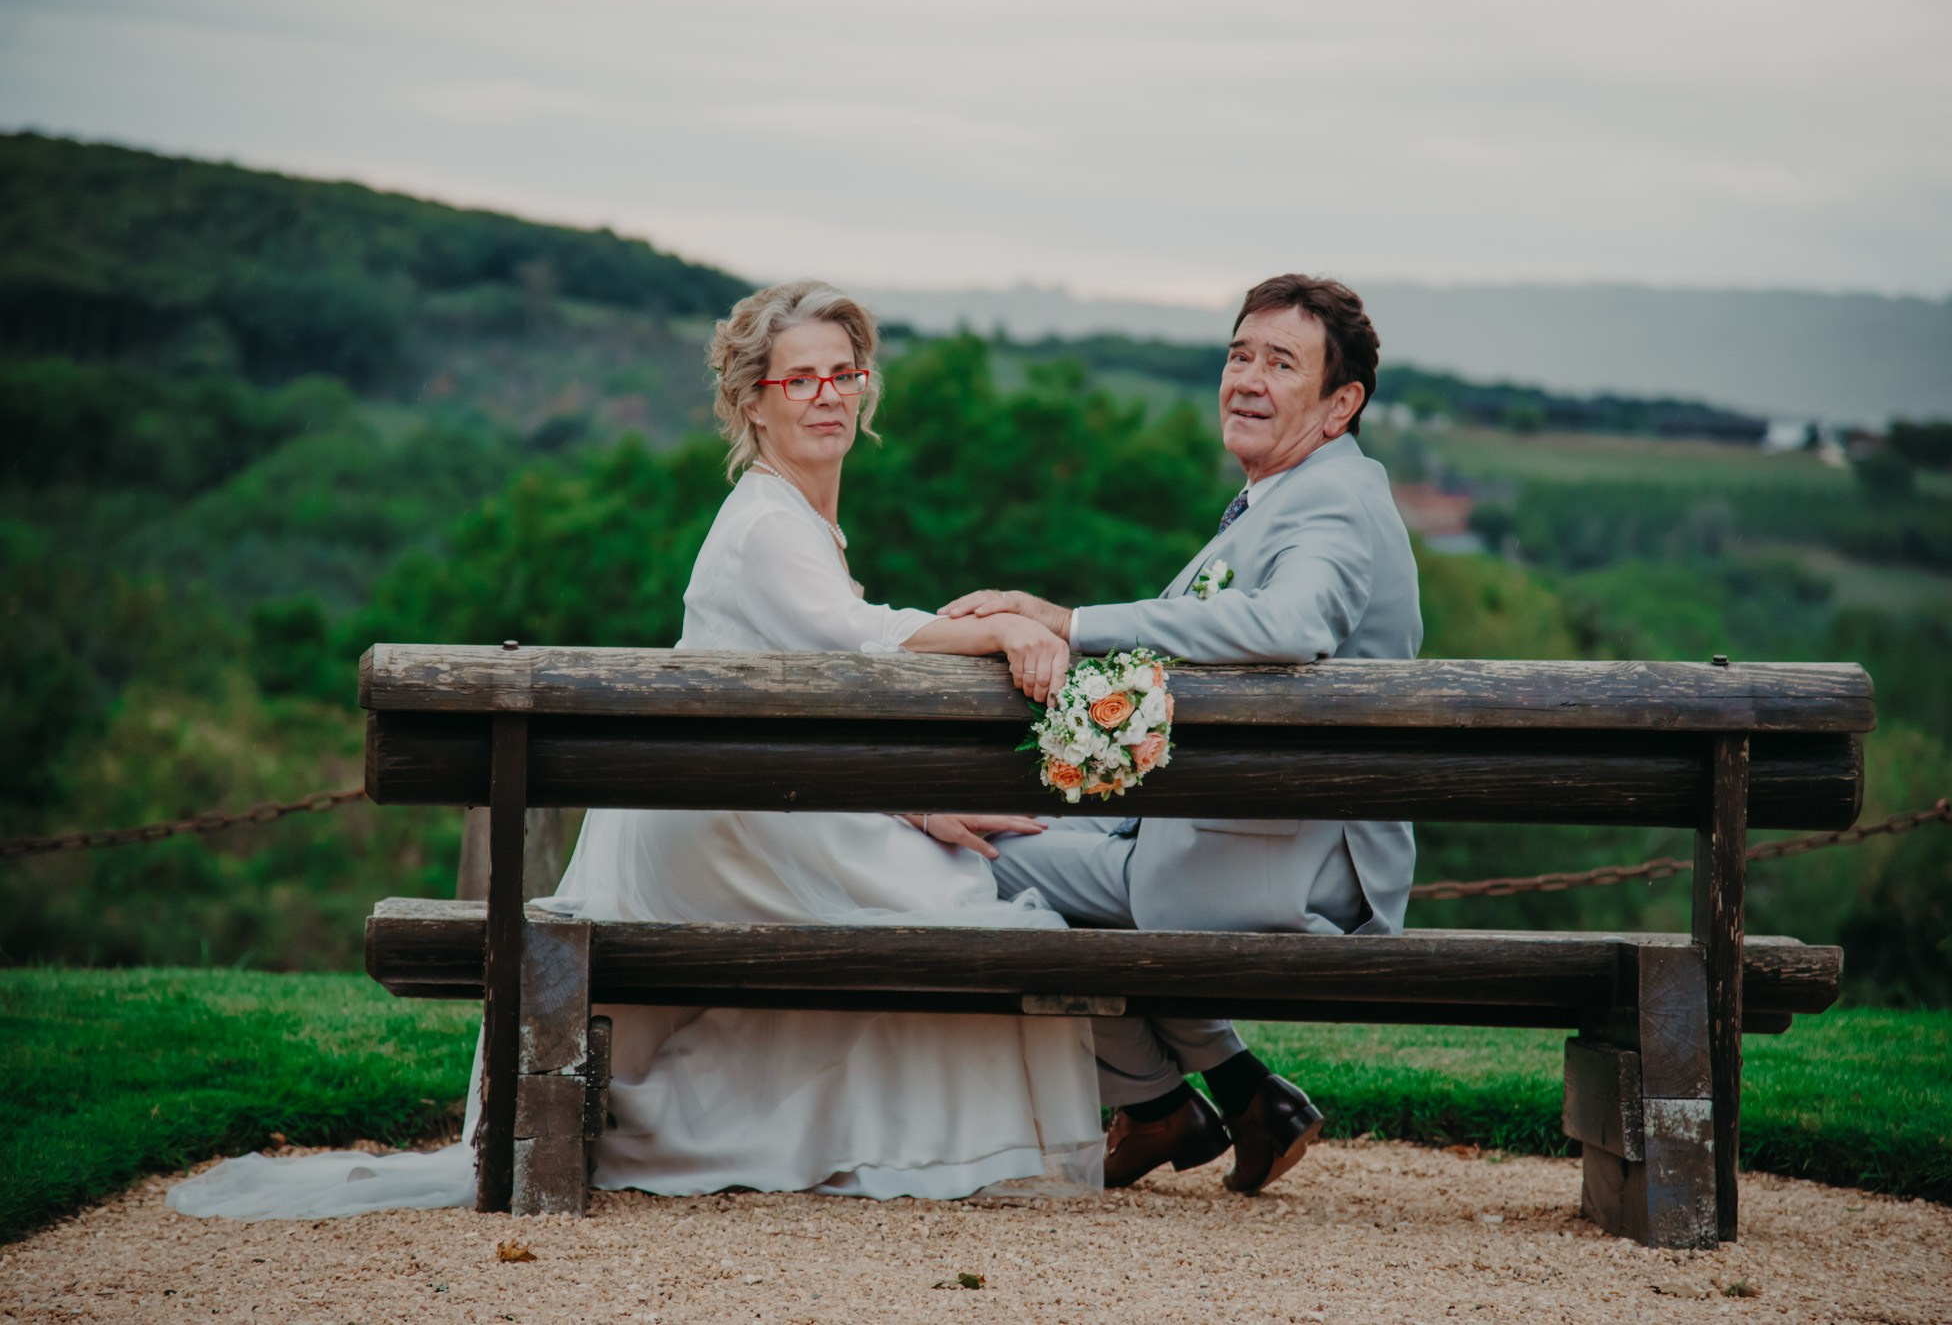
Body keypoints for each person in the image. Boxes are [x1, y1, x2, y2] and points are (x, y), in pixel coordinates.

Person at [168, 280, 1101, 1220]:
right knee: (964, 905)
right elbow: (855, 639)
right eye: (800, 379)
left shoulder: (795, 518)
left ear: (865, 388)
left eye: (843, 374)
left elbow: (814, 680)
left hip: (735, 800)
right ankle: (878, 1134)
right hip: (721, 821)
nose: (826, 394)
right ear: (754, 402)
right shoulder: (768, 524)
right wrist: (1005, 626)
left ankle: (869, 1126)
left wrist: (912, 802)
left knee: (941, 877)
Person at [939, 272, 1422, 1195]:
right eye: (1239, 353)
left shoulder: (1331, 503)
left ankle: (1161, 1098)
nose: (1247, 376)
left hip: (1281, 856)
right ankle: (1231, 1096)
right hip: (1216, 830)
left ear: (1340, 403)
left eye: (1282, 363)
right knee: (997, 836)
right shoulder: (1297, 492)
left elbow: (1290, 625)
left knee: (969, 862)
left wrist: (1071, 623)